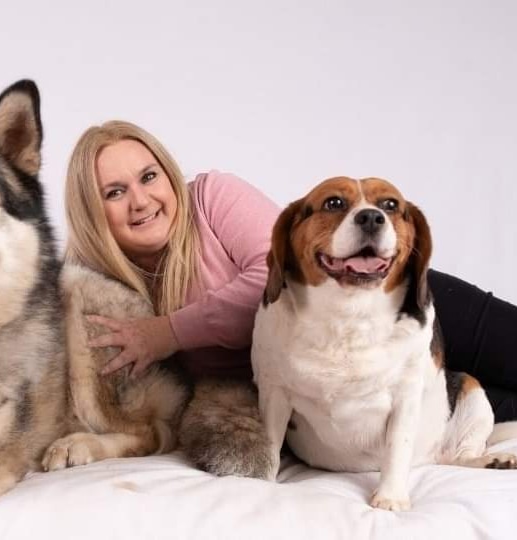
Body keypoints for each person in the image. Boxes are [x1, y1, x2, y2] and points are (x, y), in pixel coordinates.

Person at [63, 120, 517, 422]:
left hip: (404, 305)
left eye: (148, 177)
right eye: (114, 192)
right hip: (346, 389)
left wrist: (167, 333)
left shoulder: (210, 196)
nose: (141, 200)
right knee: (499, 415)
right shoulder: (96, 286)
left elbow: (276, 280)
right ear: (90, 212)